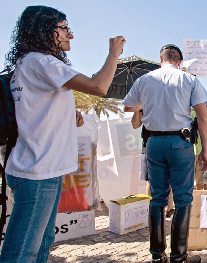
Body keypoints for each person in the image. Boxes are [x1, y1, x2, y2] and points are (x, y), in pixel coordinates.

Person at [0, 6, 125, 262]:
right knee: (23, 252)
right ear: (46, 31)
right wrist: (113, 54)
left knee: (41, 243)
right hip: (38, 172)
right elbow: (99, 87)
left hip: (40, 170)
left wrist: (69, 116)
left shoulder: (27, 62)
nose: (71, 35)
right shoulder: (42, 61)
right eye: (64, 28)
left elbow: (33, 112)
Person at [123, 44, 207, 263]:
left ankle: (156, 256)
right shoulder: (188, 79)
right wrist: (205, 151)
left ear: (160, 59)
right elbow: (202, 118)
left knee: (158, 198)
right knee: (182, 198)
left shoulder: (144, 80)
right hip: (180, 142)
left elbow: (128, 107)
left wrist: (150, 103)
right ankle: (179, 257)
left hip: (153, 141)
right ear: (179, 61)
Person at [131, 110, 175, 218]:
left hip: (167, 145)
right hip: (148, 146)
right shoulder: (144, 102)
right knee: (150, 181)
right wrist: (137, 108)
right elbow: (135, 124)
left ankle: (169, 208)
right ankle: (149, 209)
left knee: (169, 180)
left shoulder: (168, 99)